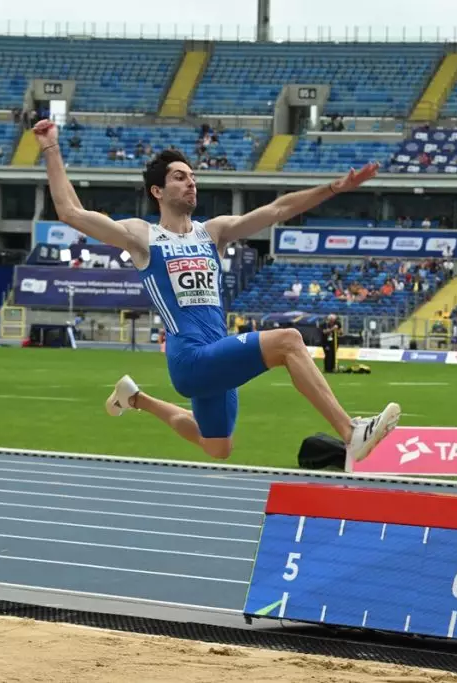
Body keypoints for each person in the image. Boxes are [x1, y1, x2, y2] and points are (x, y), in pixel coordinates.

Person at [32, 119, 400, 468]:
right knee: (288, 340)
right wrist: (50, 147)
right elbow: (70, 211)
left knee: (217, 446)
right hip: (190, 358)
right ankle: (351, 432)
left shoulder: (213, 233)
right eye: (180, 177)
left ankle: (135, 398)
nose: (191, 183)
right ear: (157, 191)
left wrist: (334, 188)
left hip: (214, 356)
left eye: (193, 177)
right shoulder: (142, 236)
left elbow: (278, 209)